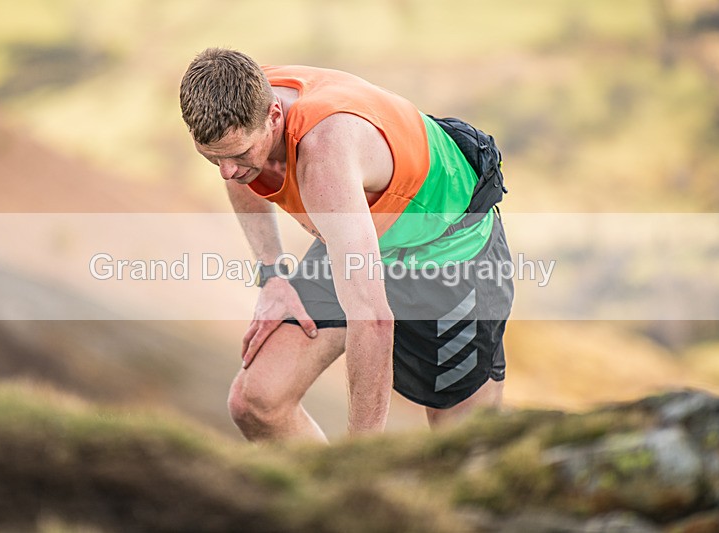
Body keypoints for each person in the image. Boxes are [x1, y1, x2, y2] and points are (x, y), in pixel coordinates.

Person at [179, 48, 513, 442]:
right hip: (357, 228)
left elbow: (372, 319)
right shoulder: (239, 92)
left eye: (236, 155)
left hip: (450, 255)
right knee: (256, 402)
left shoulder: (324, 160)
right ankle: (323, 502)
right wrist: (272, 276)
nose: (227, 172)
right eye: (212, 158)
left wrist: (359, 465)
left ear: (273, 116)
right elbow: (245, 173)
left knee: (462, 445)